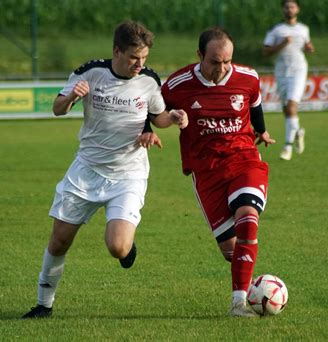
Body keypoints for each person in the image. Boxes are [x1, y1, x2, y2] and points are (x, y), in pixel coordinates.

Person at [22, 21, 188, 319]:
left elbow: (158, 116)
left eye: (144, 58)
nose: (140, 64)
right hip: (87, 169)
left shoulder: (149, 80)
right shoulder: (91, 72)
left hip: (128, 172)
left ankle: (127, 247)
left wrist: (172, 118)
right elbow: (57, 108)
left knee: (117, 247)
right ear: (116, 51)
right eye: (134, 57)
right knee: (59, 240)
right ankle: (43, 305)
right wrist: (73, 95)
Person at [161, 27, 276, 317]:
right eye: (215, 61)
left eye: (227, 61)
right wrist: (167, 121)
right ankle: (249, 282)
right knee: (231, 250)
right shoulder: (177, 84)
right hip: (206, 169)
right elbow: (154, 112)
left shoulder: (247, 77)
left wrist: (260, 130)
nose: (222, 68)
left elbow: (255, 102)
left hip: (243, 158)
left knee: (247, 220)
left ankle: (238, 303)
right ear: (200, 55)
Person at [263, 0, 314, 161]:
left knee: (292, 106)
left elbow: (307, 44)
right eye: (286, 7)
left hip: (299, 70)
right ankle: (298, 132)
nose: (289, 9)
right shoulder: (277, 30)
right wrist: (283, 44)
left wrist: (309, 48)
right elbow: (265, 51)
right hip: (281, 71)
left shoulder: (304, 29)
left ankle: (287, 147)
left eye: (292, 6)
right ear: (282, 10)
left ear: (297, 9)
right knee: (287, 109)